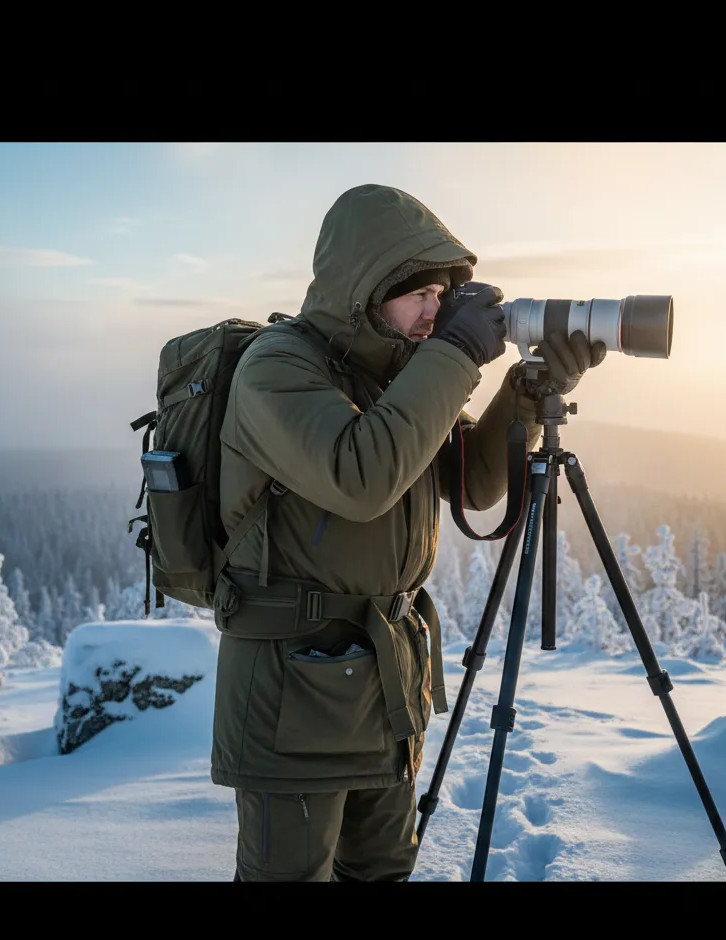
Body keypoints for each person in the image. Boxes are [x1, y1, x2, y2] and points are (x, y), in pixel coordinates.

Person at [212, 183, 605, 881]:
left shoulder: (398, 374)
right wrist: (452, 356)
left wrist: (522, 386)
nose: (435, 310)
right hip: (290, 688)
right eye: (419, 294)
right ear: (364, 290)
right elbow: (362, 476)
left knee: (382, 871)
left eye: (441, 296)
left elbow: (473, 482)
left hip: (385, 679)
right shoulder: (278, 367)